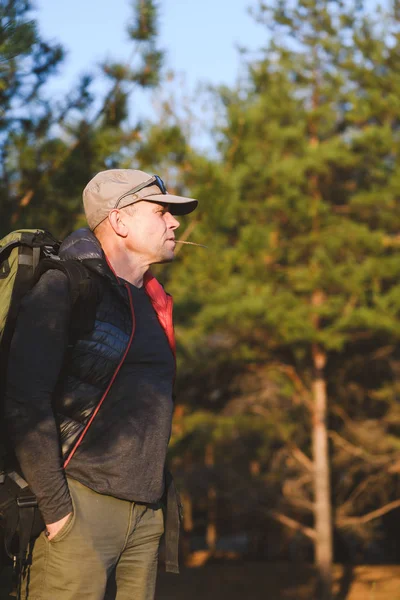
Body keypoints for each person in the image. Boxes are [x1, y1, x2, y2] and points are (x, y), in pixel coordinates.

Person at [4, 169, 198, 600]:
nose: (175, 223)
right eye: (162, 211)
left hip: (145, 516)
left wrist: (154, 514)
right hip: (79, 508)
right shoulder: (64, 287)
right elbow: (24, 399)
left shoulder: (153, 301)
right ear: (120, 220)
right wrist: (57, 511)